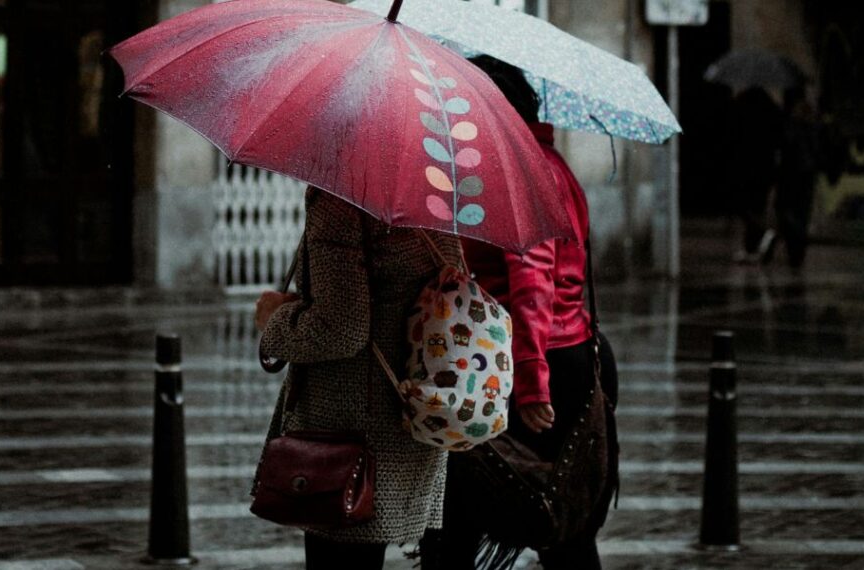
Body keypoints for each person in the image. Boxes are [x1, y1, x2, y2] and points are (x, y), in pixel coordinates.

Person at [438, 54, 609, 570]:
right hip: (567, 350)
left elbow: (532, 280)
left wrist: (533, 382)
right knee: (563, 518)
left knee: (462, 518)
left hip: (534, 359)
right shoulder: (552, 161)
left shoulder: (518, 168)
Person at [254, 188, 462, 569]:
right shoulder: (432, 189)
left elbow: (342, 328)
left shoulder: (341, 200)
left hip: (350, 435)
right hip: (407, 414)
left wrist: (276, 320)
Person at [725, 86, 784, 264]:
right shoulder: (773, 111)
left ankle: (759, 238)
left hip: (745, 165)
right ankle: (752, 247)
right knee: (757, 206)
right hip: (765, 167)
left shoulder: (740, 108)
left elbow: (732, 138)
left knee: (744, 206)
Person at [774, 87, 823, 268]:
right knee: (800, 213)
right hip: (805, 174)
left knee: (790, 213)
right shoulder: (812, 125)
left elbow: (786, 148)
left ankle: (795, 248)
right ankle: (797, 250)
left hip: (793, 175)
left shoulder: (792, 125)